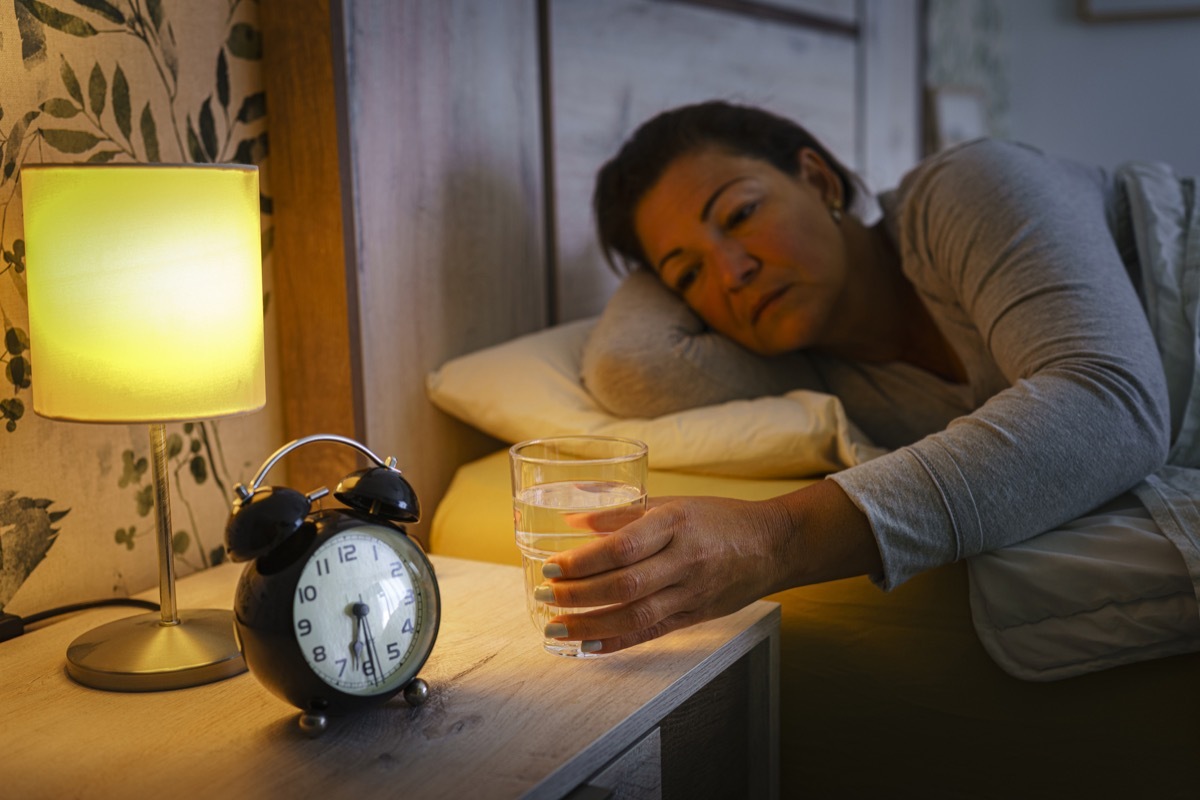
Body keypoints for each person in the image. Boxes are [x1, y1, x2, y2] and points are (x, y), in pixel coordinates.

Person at [534, 100, 1200, 662]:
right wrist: (662, 259)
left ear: (819, 181)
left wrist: (775, 540)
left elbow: (1111, 405)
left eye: (739, 215)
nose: (731, 273)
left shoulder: (966, 187)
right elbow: (631, 367)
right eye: (687, 276)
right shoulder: (810, 374)